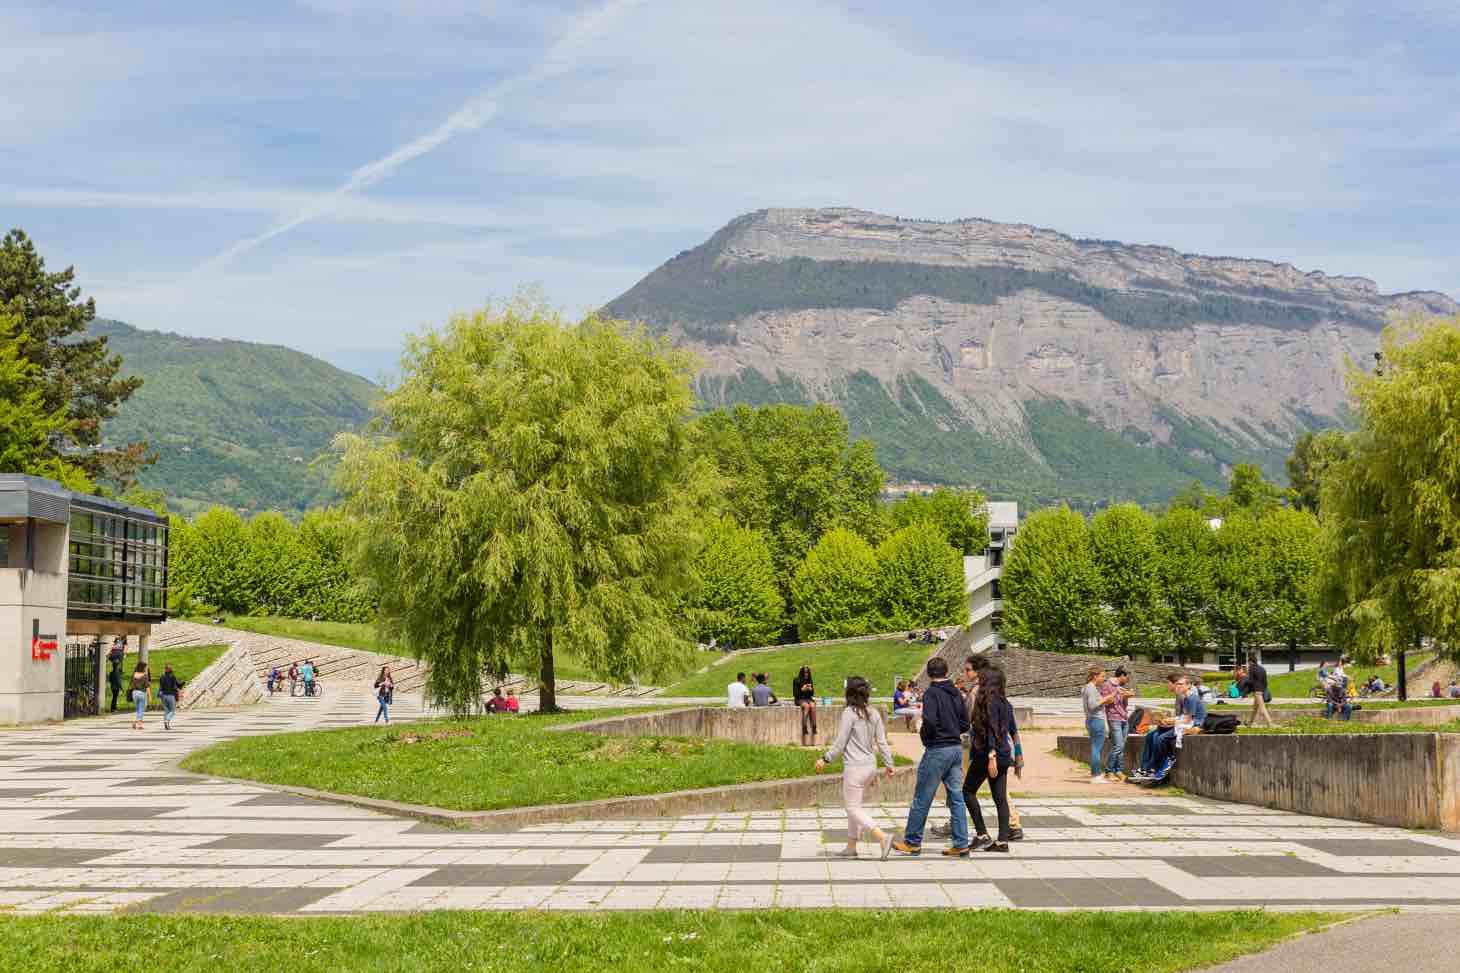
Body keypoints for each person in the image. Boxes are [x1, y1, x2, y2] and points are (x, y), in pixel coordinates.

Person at [891, 657, 971, 857]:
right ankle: (961, 843)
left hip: (938, 748)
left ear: (928, 674)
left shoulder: (931, 694)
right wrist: (954, 730)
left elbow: (931, 721)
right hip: (955, 747)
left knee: (922, 796)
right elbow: (965, 722)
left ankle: (912, 841)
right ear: (947, 672)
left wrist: (925, 737)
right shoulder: (955, 692)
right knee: (956, 797)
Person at [815, 675, 896, 860]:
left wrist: (825, 759)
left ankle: (882, 837)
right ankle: (851, 847)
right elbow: (882, 742)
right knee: (855, 807)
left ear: (849, 693)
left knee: (852, 809)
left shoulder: (849, 713)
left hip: (855, 768)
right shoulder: (874, 713)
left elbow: (840, 742)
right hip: (870, 767)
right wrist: (889, 764)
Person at [965, 666, 1020, 852]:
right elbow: (1013, 731)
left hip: (988, 754)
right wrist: (1018, 755)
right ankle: (1002, 840)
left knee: (967, 791)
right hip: (1004, 754)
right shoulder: (1006, 702)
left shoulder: (987, 702)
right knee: (1000, 798)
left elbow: (991, 730)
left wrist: (991, 755)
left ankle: (981, 833)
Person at [1131, 673, 1206, 783]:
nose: (1178, 686)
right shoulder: (1186, 698)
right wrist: (1167, 720)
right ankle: (1146, 768)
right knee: (1151, 735)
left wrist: (1170, 721)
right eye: (1177, 684)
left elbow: (1187, 720)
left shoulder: (1191, 698)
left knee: (1160, 738)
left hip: (1193, 725)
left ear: (1188, 685)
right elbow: (1183, 717)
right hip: (1186, 724)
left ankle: (1157, 765)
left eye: (1181, 684)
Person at [1081, 665, 1117, 784]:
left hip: (1092, 720)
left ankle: (1096, 774)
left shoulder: (1088, 687)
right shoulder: (1091, 688)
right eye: (1102, 676)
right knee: (1096, 748)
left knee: (1095, 748)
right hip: (1096, 720)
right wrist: (1107, 698)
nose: (1104, 679)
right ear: (1095, 676)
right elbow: (1092, 705)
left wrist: (1104, 701)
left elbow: (1094, 704)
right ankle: (1096, 775)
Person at [1102, 665, 1135, 781]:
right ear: (1122, 675)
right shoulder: (1107, 685)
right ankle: (1109, 771)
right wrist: (1117, 694)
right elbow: (1105, 701)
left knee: (1121, 747)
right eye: (1127, 678)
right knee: (1118, 746)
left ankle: (1119, 770)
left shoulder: (1121, 687)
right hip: (1114, 717)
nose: (1128, 681)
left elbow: (1123, 703)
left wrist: (1127, 695)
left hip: (1124, 718)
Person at [1235, 661, 1273, 727]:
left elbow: (1251, 681)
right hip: (1261, 689)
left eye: (1248, 663)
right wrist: (1264, 689)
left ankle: (1270, 723)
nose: (1248, 665)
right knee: (1255, 708)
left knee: (1262, 707)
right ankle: (1250, 723)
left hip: (1257, 691)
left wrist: (1244, 693)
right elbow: (1265, 681)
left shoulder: (1252, 669)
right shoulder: (1262, 668)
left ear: (1250, 662)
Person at [794, 666, 817, 744]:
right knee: (806, 706)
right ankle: (804, 727)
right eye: (804, 672)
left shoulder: (809, 680)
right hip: (799, 699)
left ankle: (814, 727)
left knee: (813, 706)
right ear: (801, 673)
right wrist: (801, 689)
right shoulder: (796, 680)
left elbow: (812, 693)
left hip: (808, 698)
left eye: (807, 672)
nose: (806, 674)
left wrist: (810, 690)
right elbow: (795, 694)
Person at [158, 663, 182, 731]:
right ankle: (167, 720)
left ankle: (167, 724)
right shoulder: (173, 676)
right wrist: (182, 684)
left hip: (163, 695)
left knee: (166, 710)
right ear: (171, 669)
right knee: (172, 711)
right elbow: (176, 685)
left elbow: (161, 686)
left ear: (165, 669)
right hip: (171, 695)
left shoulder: (162, 676)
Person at [129, 662, 150, 731]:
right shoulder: (145, 675)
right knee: (141, 709)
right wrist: (149, 696)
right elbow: (147, 686)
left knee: (138, 709)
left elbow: (131, 684)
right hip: (141, 693)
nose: (146, 668)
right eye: (145, 667)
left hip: (134, 693)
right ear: (143, 667)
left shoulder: (134, 674)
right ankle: (139, 724)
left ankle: (135, 722)